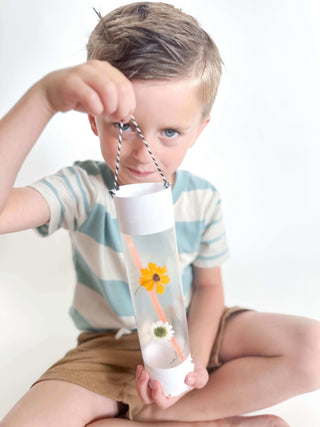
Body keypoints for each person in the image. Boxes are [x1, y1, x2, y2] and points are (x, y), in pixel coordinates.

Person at [0, 2, 319, 426]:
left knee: (313, 350)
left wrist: (192, 365)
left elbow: (208, 289)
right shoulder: (82, 191)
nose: (142, 153)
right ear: (95, 120)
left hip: (189, 330)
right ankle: (195, 418)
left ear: (198, 131)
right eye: (125, 126)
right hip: (108, 350)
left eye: (169, 132)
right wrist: (43, 99)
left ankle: (167, 411)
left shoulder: (200, 200)